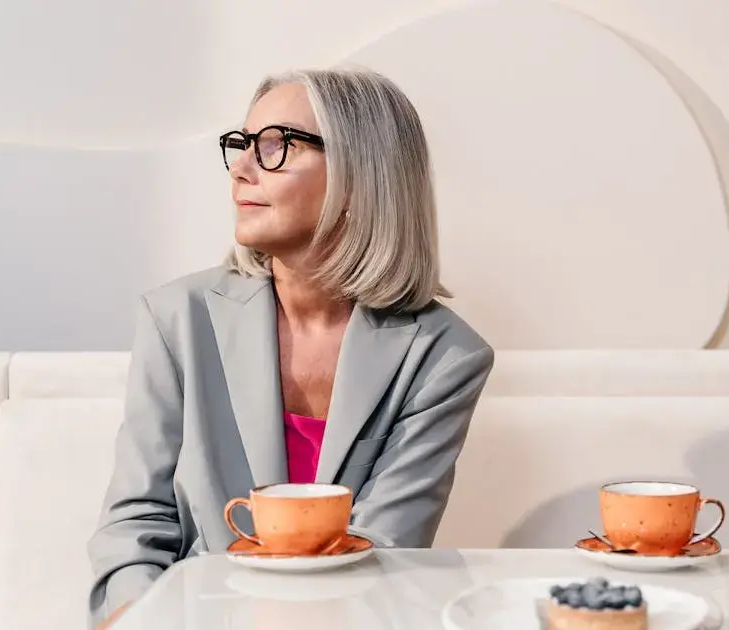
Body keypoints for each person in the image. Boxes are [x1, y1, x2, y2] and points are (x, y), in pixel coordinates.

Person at [86, 68, 495, 629]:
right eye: (242, 145)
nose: (242, 170)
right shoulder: (177, 318)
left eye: (276, 146)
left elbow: (387, 550)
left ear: (359, 176)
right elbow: (137, 519)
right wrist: (136, 616)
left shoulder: (445, 356)